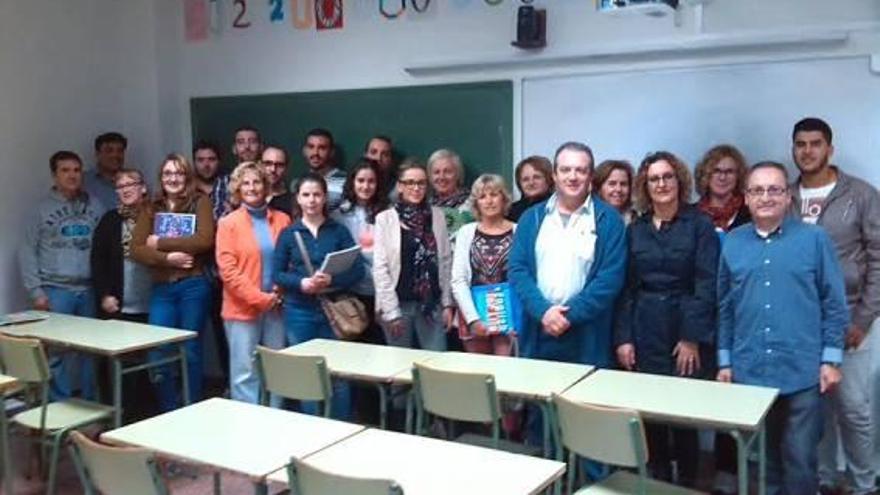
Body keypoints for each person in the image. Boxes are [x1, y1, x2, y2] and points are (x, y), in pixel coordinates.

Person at [717, 161, 848, 495]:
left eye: (774, 189)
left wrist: (831, 360)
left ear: (788, 196)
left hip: (802, 372)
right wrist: (725, 362)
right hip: (750, 371)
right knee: (760, 462)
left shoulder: (814, 239)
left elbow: (834, 303)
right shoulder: (732, 242)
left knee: (800, 461)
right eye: (757, 190)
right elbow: (725, 307)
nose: (766, 197)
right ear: (746, 198)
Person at [508, 141, 627, 453]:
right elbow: (518, 271)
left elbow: (609, 279)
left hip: (587, 336)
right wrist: (544, 313)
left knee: (586, 421)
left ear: (590, 176)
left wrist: (567, 315)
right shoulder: (532, 218)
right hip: (539, 332)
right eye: (566, 169)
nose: (573, 176)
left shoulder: (608, 221)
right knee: (540, 421)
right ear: (555, 175)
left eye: (581, 170)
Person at [613, 151, 719, 487]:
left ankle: (686, 483)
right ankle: (656, 482)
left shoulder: (700, 225)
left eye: (667, 177)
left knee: (683, 417)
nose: (661, 184)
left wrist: (690, 337)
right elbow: (627, 288)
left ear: (680, 181)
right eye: (654, 179)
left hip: (683, 329)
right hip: (645, 328)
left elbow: (706, 284)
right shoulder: (637, 228)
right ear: (646, 185)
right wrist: (624, 337)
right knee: (649, 416)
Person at [789, 117, 880, 495]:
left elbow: (878, 259)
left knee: (855, 409)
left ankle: (864, 483)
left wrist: (863, 318)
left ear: (830, 148)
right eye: (800, 144)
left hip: (850, 321)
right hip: (802, 325)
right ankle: (826, 480)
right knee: (815, 411)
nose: (807, 151)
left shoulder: (860, 194)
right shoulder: (785, 195)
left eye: (815, 143)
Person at [273, 172, 364, 419]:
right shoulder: (289, 233)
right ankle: (314, 429)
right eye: (306, 195)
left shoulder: (338, 231)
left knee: (338, 373)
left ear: (325, 198)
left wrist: (333, 280)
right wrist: (301, 283)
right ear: (298, 199)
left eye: (317, 195)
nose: (312, 200)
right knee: (307, 375)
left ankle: (342, 427)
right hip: (299, 310)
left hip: (332, 310)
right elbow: (277, 274)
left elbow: (357, 269)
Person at [131, 154, 214, 411]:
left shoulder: (200, 202)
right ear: (161, 177)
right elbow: (136, 249)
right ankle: (168, 408)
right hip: (162, 289)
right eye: (168, 173)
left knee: (190, 350)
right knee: (158, 350)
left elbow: (204, 240)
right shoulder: (150, 206)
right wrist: (169, 258)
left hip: (193, 285)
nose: (173, 178)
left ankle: (192, 408)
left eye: (179, 173)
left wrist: (162, 242)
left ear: (187, 177)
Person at [19, 150, 104, 399]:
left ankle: (91, 409)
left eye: (76, 170)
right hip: (56, 290)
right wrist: (36, 292)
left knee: (93, 352)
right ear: (54, 175)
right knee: (56, 353)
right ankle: (62, 410)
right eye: (65, 170)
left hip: (88, 289)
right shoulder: (40, 210)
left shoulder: (94, 205)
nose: (72, 176)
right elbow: (26, 251)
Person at [216, 162, 290, 406]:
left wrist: (277, 293)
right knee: (245, 373)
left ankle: (276, 420)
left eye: (257, 181)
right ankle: (247, 428)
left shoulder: (283, 220)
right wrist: (260, 299)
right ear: (237, 189)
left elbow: (290, 261)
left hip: (277, 307)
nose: (251, 187)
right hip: (242, 310)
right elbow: (228, 272)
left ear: (266, 186)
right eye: (245, 183)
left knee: (277, 369)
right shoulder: (228, 224)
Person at [373, 159, 455, 351]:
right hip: (398, 304)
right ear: (400, 186)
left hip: (430, 304)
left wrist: (447, 304)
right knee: (398, 368)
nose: (416, 188)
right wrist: (391, 312)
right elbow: (381, 268)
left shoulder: (437, 216)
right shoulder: (385, 219)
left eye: (421, 183)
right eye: (410, 183)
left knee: (436, 364)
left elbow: (445, 261)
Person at [333, 158, 390, 424]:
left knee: (379, 356)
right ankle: (354, 415)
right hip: (349, 295)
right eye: (360, 180)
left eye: (371, 181)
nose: (365, 186)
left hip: (381, 293)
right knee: (352, 357)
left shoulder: (387, 213)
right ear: (351, 183)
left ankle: (379, 416)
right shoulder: (338, 214)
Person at [451, 174, 516, 356]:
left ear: (504, 198)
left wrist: (516, 317)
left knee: (506, 376)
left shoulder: (519, 230)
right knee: (478, 376)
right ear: (476, 203)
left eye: (494, 194)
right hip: (473, 314)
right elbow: (458, 280)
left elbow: (525, 276)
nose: (489, 201)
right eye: (482, 196)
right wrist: (473, 320)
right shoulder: (465, 232)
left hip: (508, 317)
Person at [694, 144, 751, 236]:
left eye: (729, 172)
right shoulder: (690, 216)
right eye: (716, 171)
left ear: (739, 176)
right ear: (705, 175)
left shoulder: (751, 213)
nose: (722, 177)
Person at [428, 148, 473, 239]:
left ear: (458, 174)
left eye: (447, 172)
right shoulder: (426, 206)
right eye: (436, 172)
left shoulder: (471, 204)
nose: (441, 177)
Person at [301, 128, 346, 211]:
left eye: (322, 148)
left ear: (331, 152)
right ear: (304, 151)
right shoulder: (299, 182)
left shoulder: (345, 181)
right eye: (311, 147)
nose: (315, 153)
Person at [84, 132, 127, 210]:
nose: (115, 155)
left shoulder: (135, 183)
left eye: (120, 151)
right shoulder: (84, 182)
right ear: (97, 154)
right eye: (109, 151)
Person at [507, 156, 554, 222]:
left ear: (549, 179)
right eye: (525, 179)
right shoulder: (511, 212)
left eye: (537, 177)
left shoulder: (558, 206)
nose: (531, 183)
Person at [193, 140, 232, 221]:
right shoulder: (186, 187)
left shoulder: (230, 183)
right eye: (200, 160)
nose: (206, 165)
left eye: (211, 159)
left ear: (219, 161)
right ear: (194, 162)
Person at [593, 159, 636, 224]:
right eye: (612, 184)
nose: (618, 189)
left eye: (623, 184)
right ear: (599, 187)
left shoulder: (638, 221)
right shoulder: (589, 218)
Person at [263, 145, 293, 216]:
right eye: (268, 163)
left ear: (286, 168)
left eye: (279, 165)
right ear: (259, 165)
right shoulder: (249, 198)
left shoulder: (294, 203)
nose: (273, 169)